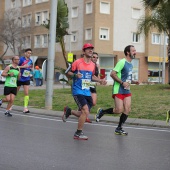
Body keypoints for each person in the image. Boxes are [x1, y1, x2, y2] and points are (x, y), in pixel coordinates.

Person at [62, 43, 107, 140]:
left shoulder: (93, 65)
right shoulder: (77, 62)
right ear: (84, 51)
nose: (90, 50)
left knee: (84, 113)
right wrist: (74, 75)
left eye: (91, 49)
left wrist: (100, 80)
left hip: (87, 91)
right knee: (85, 110)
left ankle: (69, 111)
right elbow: (67, 72)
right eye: (88, 49)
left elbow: (92, 77)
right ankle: (78, 133)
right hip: (78, 91)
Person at [95, 45, 139, 135]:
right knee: (119, 110)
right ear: (128, 52)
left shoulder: (130, 64)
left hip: (127, 90)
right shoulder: (122, 62)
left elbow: (127, 79)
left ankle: (119, 128)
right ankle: (102, 111)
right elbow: (112, 74)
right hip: (118, 89)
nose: (135, 52)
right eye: (133, 51)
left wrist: (134, 81)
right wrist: (122, 83)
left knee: (127, 109)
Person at [85, 52, 100, 123]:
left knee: (93, 102)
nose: (95, 59)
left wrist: (100, 80)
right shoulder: (87, 65)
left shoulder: (97, 66)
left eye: (97, 57)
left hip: (93, 85)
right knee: (87, 101)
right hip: (86, 84)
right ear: (91, 57)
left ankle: (81, 111)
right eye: (94, 57)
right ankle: (85, 116)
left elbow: (97, 76)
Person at [17, 48, 33, 113]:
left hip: (26, 78)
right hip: (20, 78)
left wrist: (31, 71)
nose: (29, 54)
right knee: (15, 92)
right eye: (28, 53)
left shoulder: (31, 60)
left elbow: (30, 67)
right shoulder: (21, 59)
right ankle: (9, 105)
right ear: (25, 53)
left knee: (26, 93)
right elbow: (16, 66)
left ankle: (25, 108)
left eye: (30, 53)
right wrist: (23, 67)